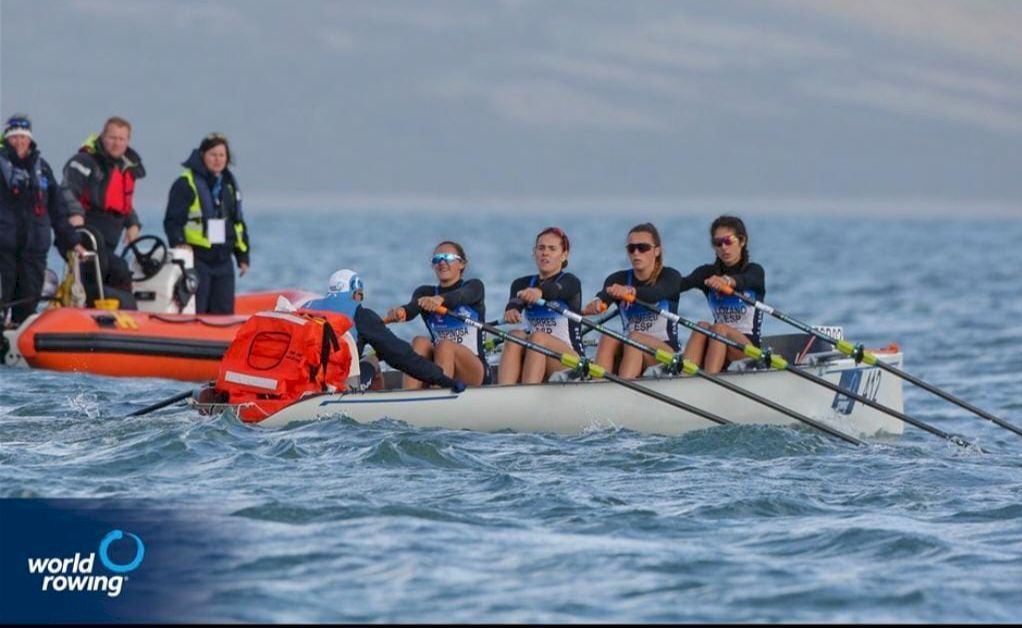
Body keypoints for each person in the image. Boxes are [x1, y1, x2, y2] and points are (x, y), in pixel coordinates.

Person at [302, 269, 465, 392]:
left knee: (372, 357)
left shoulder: (308, 308)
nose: (360, 300)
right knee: (373, 361)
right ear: (355, 293)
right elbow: (401, 356)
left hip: (301, 384)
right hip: (337, 388)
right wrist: (444, 379)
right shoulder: (361, 315)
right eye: (360, 295)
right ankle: (370, 404)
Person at [0, 114, 83, 327]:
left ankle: (19, 334)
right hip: (4, 249)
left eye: (23, 137)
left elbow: (58, 210)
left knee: (28, 305)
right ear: (7, 139)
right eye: (14, 137)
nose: (19, 142)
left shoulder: (43, 169)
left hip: (34, 250)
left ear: (30, 139)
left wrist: (73, 242)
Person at [60, 116, 145, 308]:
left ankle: (125, 315)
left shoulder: (125, 167)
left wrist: (133, 223)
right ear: (103, 136)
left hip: (110, 237)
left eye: (121, 139)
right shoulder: (85, 162)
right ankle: (91, 309)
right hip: (88, 233)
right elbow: (66, 190)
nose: (117, 143)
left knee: (120, 271)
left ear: (128, 141)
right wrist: (76, 214)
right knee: (107, 270)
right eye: (112, 138)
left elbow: (123, 202)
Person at [581, 223, 683, 378]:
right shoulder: (618, 279)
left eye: (643, 247)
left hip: (665, 354)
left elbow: (655, 294)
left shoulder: (671, 276)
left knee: (635, 337)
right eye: (631, 248)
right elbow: (604, 296)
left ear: (656, 251)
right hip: (630, 348)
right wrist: (597, 303)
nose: (636, 253)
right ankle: (597, 385)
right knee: (608, 337)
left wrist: (630, 291)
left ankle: (624, 386)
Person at [163, 133, 250, 314]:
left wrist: (242, 256)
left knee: (224, 311)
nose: (217, 159)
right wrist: (179, 242)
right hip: (198, 258)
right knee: (198, 307)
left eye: (221, 155)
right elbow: (173, 220)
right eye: (213, 155)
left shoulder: (229, 185)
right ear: (203, 155)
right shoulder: (186, 183)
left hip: (223, 259)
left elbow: (237, 223)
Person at [384, 241, 488, 389]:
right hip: (442, 361)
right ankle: (409, 394)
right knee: (420, 341)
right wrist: (400, 312)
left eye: (448, 257)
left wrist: (440, 300)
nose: (442, 262)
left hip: (474, 369)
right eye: (437, 259)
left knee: (445, 345)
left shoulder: (474, 286)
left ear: (462, 264)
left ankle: (438, 395)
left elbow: (461, 296)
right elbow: (412, 308)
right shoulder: (425, 292)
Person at [678, 215, 766, 374]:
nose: (723, 247)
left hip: (749, 352)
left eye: (728, 241)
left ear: (742, 241)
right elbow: (678, 285)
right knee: (702, 326)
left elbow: (745, 280)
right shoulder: (707, 273)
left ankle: (710, 380)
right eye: (718, 243)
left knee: (719, 328)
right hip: (718, 346)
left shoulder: (755, 271)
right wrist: (639, 288)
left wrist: (727, 281)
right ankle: (684, 379)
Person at [498, 226, 584, 384]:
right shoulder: (520, 284)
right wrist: (512, 311)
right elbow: (514, 303)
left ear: (564, 255)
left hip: (570, 361)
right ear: (534, 252)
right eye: (541, 248)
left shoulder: (570, 282)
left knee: (538, 337)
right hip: (536, 351)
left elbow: (554, 290)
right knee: (515, 335)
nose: (545, 253)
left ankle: (529, 391)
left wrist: (539, 292)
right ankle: (504, 391)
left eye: (552, 249)